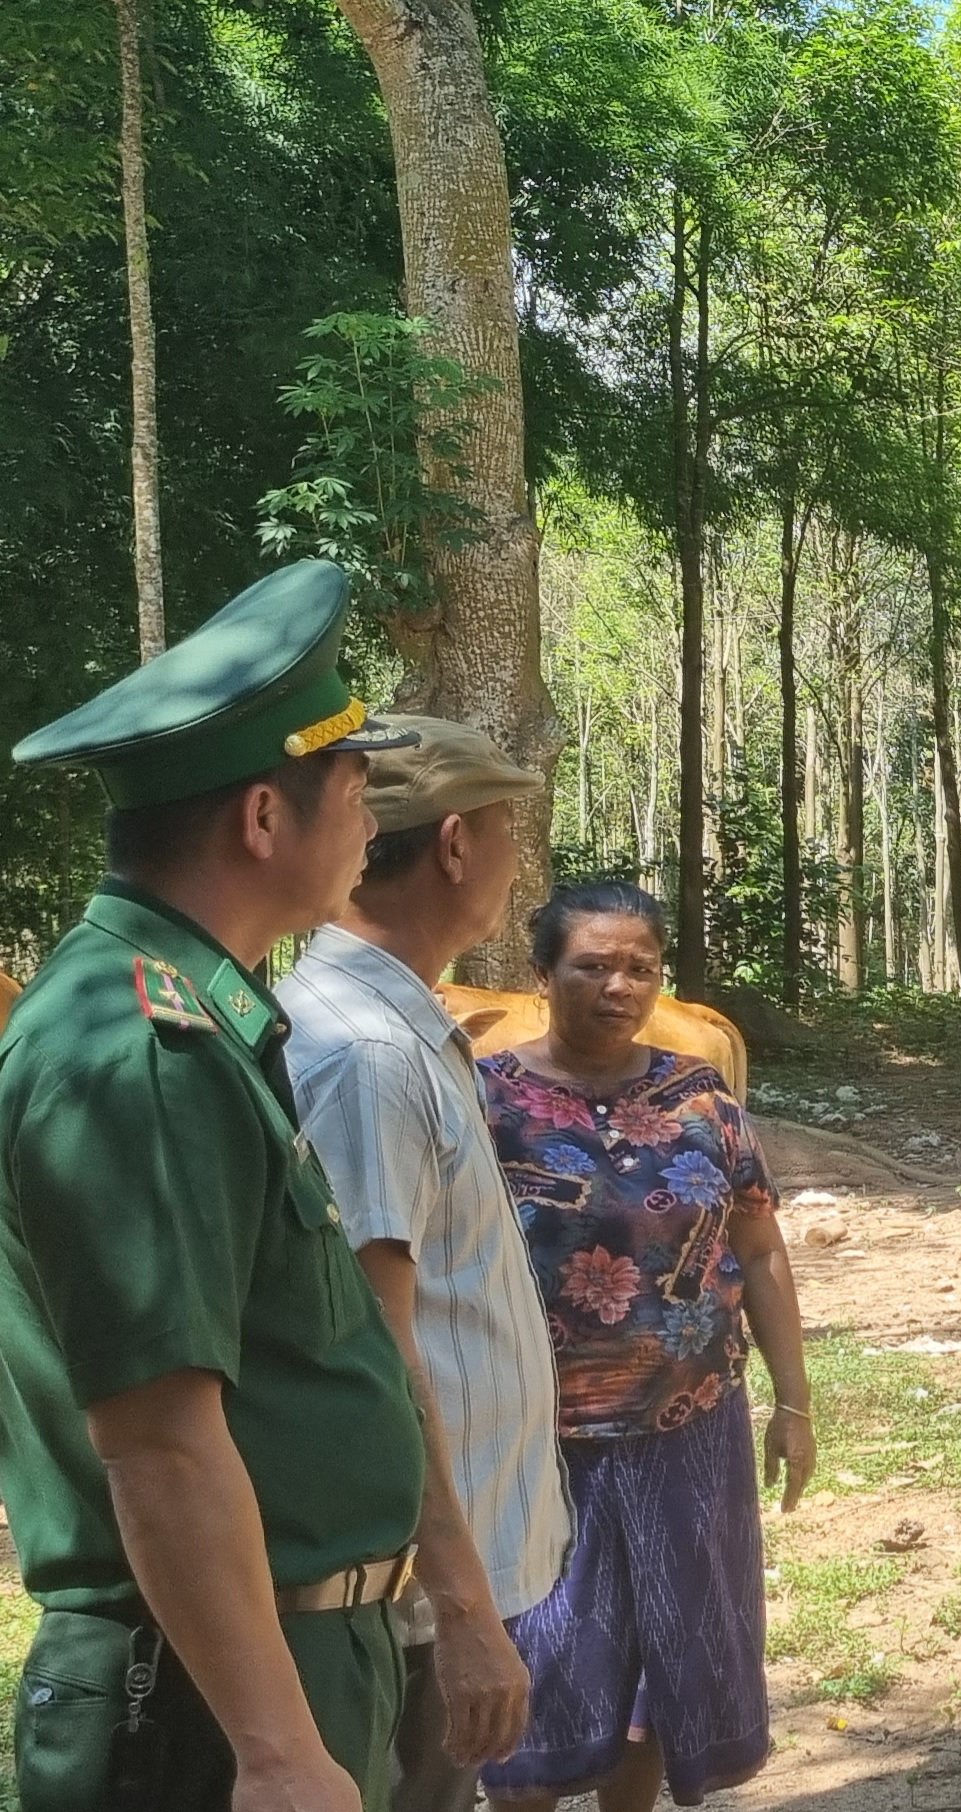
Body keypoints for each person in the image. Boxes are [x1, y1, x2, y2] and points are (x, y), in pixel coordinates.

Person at [0, 559, 429, 1811]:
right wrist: (281, 1752)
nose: (371, 822)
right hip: (205, 1703)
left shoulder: (197, 1015)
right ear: (262, 817)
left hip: (275, 1663)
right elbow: (159, 1444)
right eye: (357, 788)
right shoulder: (138, 1048)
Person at [281, 717, 569, 1812]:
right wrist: (459, 1606)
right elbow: (376, 1342)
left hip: (426, 1584)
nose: (513, 862)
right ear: (455, 843)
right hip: (403, 1602)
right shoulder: (366, 1055)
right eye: (507, 833)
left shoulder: (397, 1029)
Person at [479, 881, 815, 1811]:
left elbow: (758, 1246)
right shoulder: (487, 1105)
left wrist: (794, 1402)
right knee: (541, 1662)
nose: (618, 986)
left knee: (662, 1664)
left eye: (640, 968)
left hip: (691, 1427)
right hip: (541, 1439)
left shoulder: (699, 1098)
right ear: (543, 974)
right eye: (592, 965)